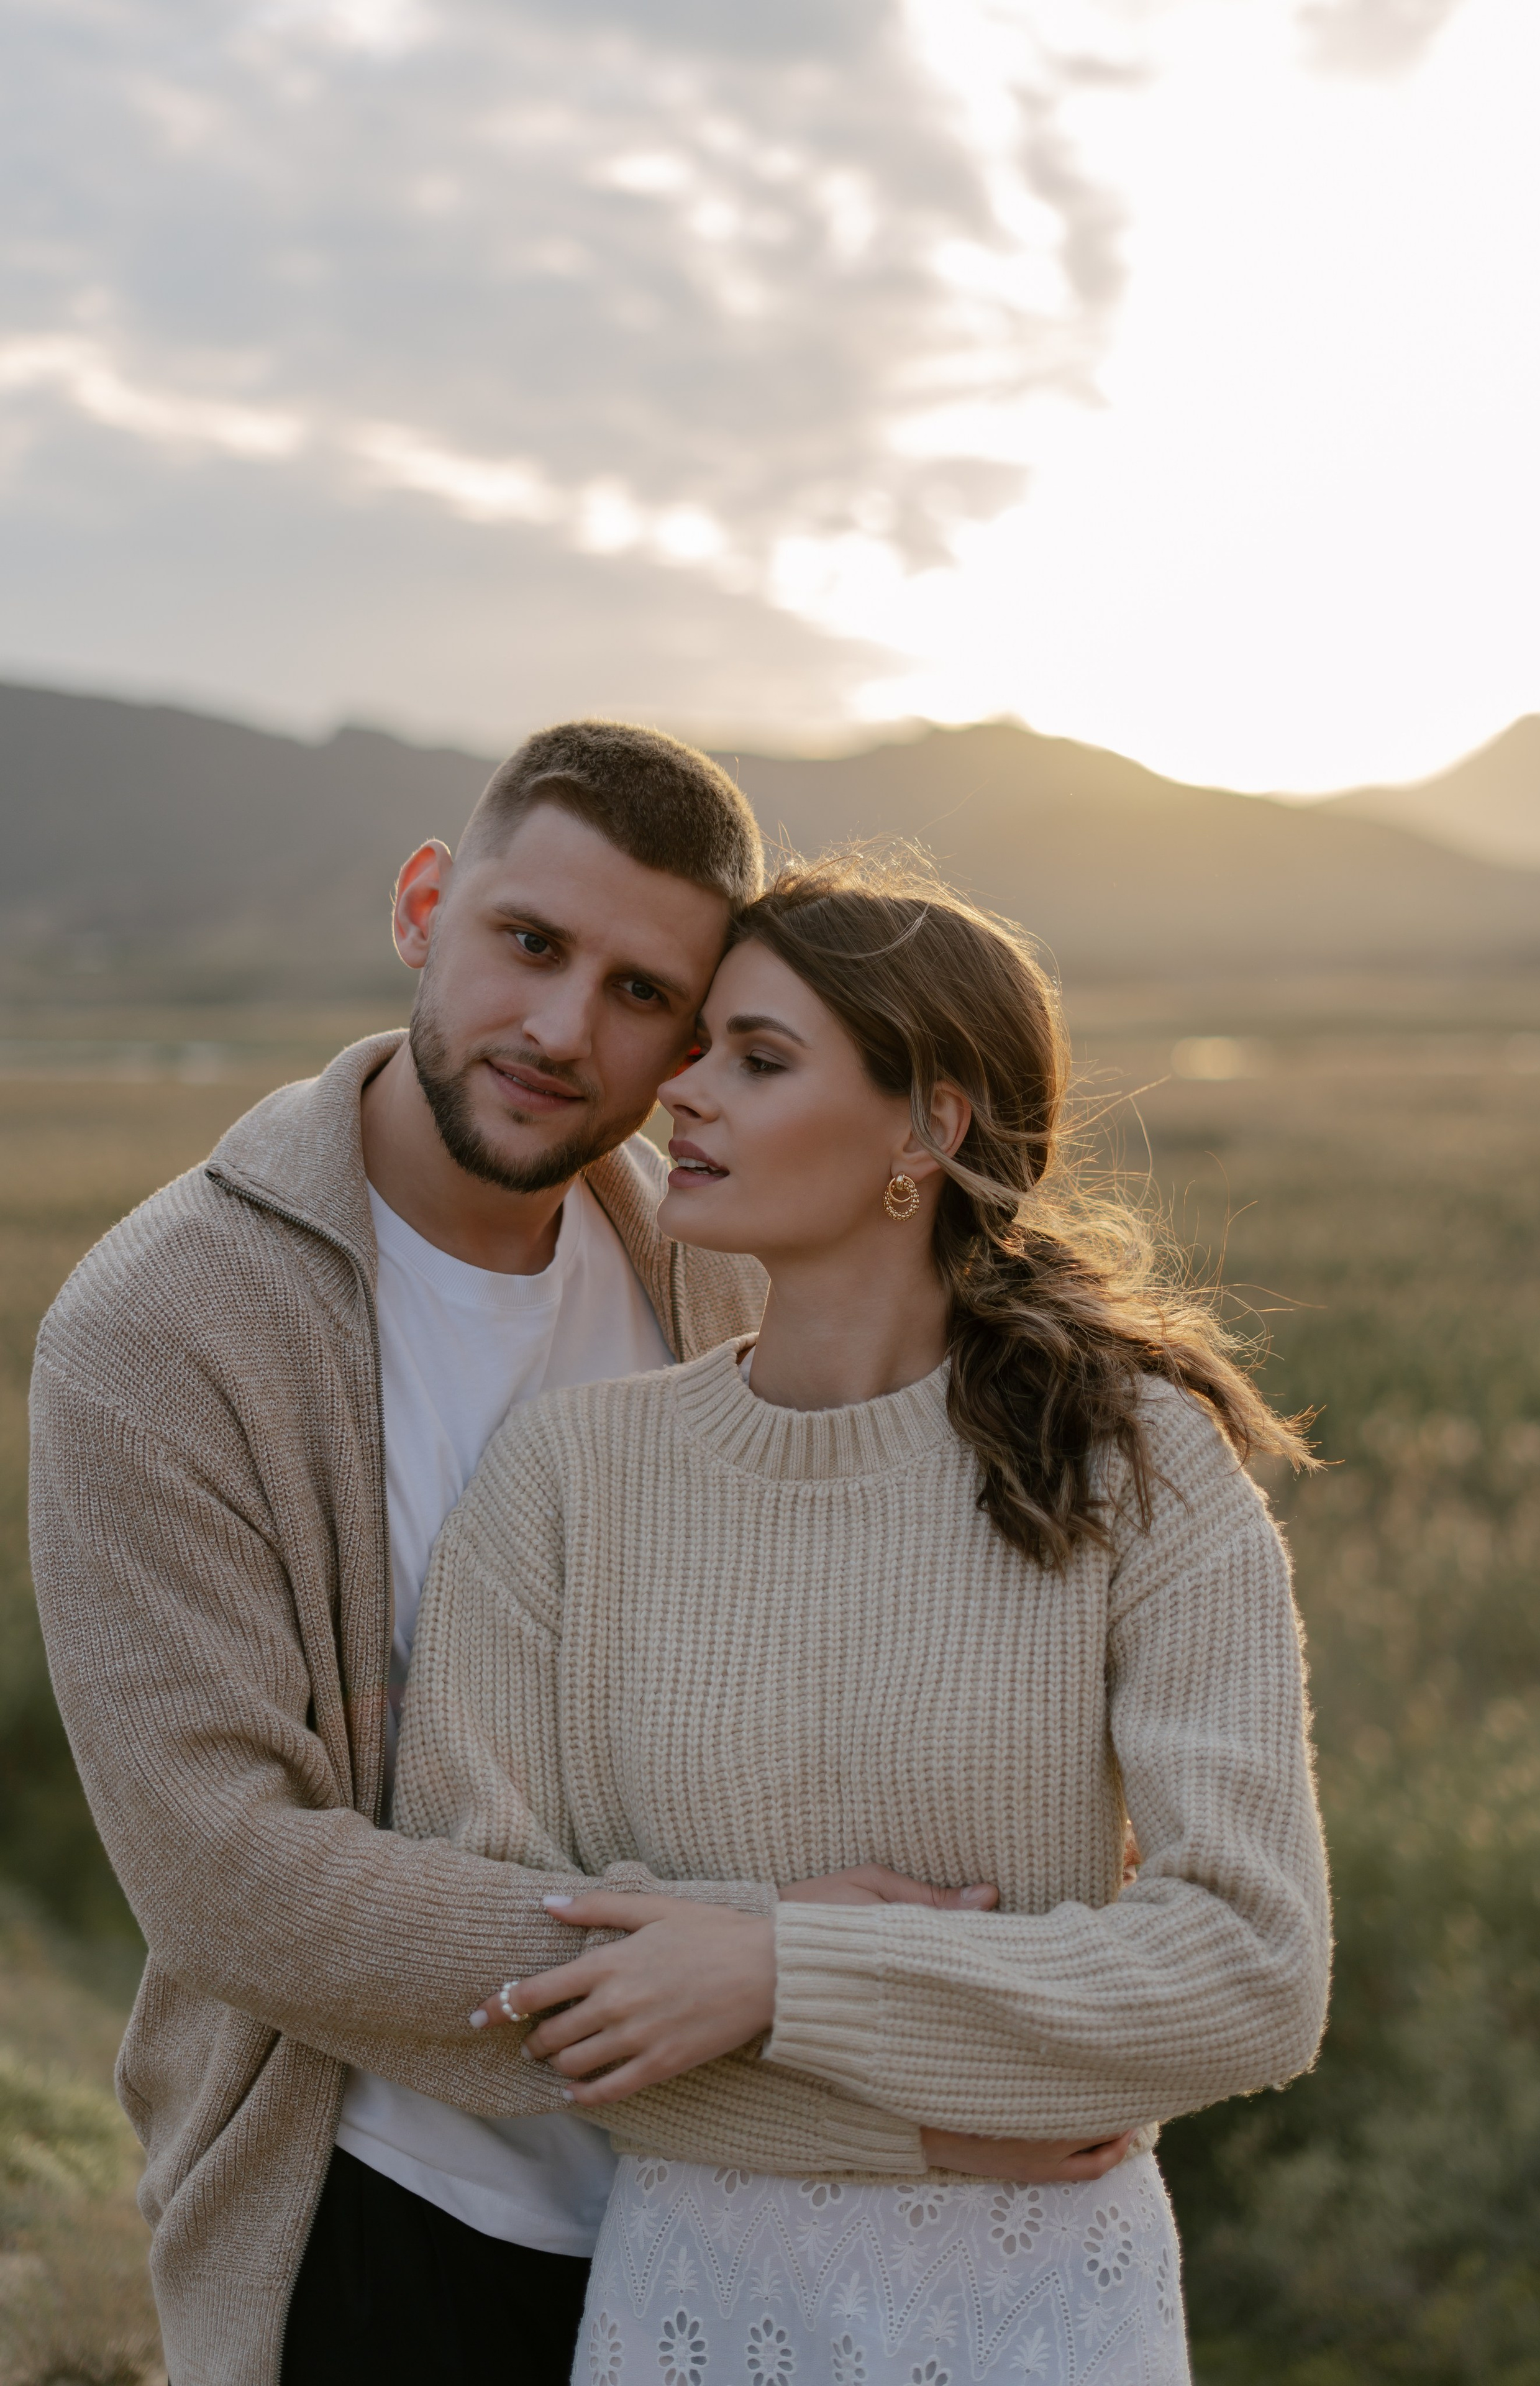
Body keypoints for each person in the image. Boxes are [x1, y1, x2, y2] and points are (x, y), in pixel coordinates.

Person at [28, 727, 1129, 2386]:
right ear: (424, 908)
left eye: (639, 994)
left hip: (738, 2215)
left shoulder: (723, 1270)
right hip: (387, 2223)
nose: (561, 1030)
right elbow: (231, 1882)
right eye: (529, 945)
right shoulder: (159, 1330)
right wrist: (760, 1977)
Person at [393, 855, 1333, 2385]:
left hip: (1037, 2311)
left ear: (927, 1125)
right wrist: (931, 2111)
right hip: (691, 2298)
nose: (679, 1094)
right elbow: (491, 1973)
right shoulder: (571, 1475)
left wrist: (767, 1971)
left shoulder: (1135, 1461)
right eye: (693, 1046)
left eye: (755, 1060)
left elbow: (1249, 1972)